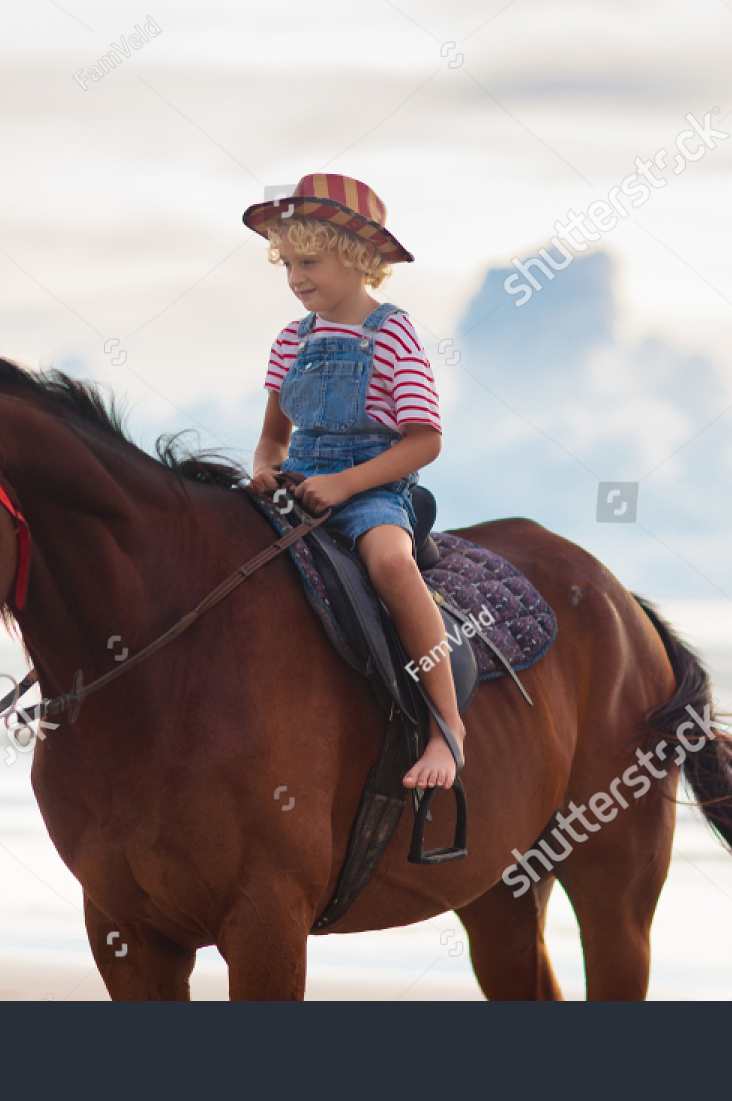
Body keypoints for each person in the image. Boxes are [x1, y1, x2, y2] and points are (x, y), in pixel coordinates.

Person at [243, 173, 463, 790]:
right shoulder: (291, 341)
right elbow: (273, 438)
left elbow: (425, 440)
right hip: (298, 486)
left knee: (392, 565)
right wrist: (265, 473)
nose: (295, 277)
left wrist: (343, 486)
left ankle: (446, 727)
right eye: (286, 264)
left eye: (308, 260)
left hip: (372, 493)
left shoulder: (392, 334)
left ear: (360, 257)